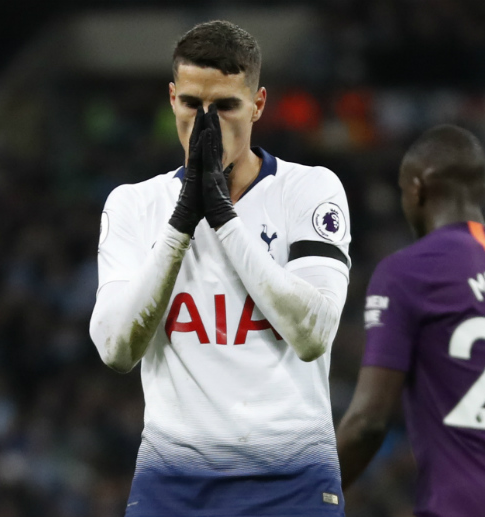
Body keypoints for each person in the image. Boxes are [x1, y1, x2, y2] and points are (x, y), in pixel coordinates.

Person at [89, 20, 351, 517]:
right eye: (191, 104)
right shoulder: (132, 205)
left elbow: (314, 333)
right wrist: (183, 220)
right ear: (171, 99)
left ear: (258, 104)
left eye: (226, 106)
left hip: (292, 482)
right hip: (173, 484)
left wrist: (225, 220)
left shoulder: (310, 191)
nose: (206, 124)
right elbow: (116, 349)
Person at [336, 125, 485, 517]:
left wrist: (306, 495)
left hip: (461, 505)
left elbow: (367, 423)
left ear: (417, 188)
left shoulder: (407, 273)